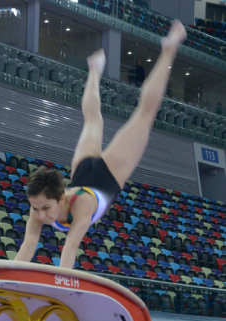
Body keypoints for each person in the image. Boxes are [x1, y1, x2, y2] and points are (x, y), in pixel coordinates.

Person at [14, 20, 186, 269]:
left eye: (45, 208)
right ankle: (94, 69)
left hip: (105, 176)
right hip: (83, 172)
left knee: (145, 115)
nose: (41, 215)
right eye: (37, 209)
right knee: (92, 120)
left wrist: (62, 288)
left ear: (61, 199)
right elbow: (28, 245)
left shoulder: (80, 207)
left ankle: (169, 49)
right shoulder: (39, 202)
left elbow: (70, 248)